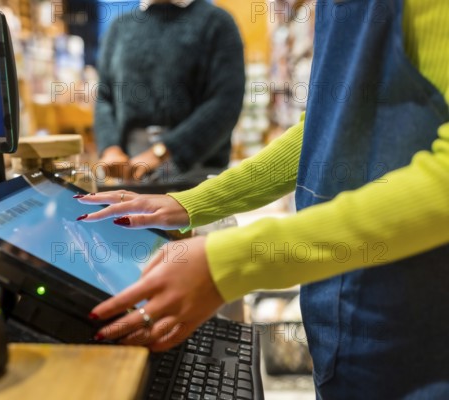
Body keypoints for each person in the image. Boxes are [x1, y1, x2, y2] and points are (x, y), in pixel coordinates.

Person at [77, 0, 449, 398]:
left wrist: (233, 262)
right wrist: (191, 203)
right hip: (353, 325)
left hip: (426, 334)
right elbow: (325, 130)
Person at [94, 0, 245, 181]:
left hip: (198, 172)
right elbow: (104, 96)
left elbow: (226, 101)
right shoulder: (119, 27)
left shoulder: (217, 23)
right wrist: (111, 149)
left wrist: (164, 152)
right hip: (132, 174)